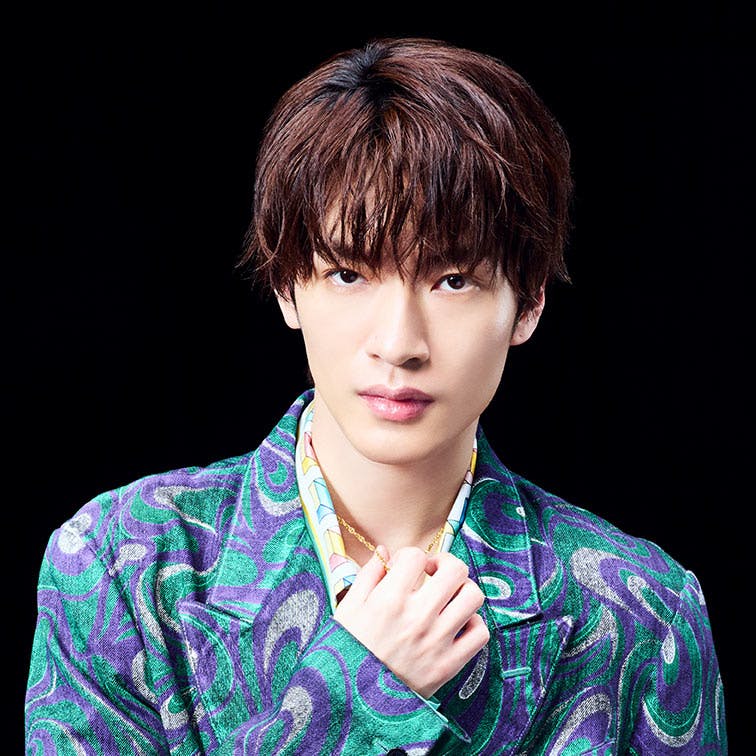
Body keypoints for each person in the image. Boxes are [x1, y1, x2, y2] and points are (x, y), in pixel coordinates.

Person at [25, 37, 726, 754]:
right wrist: (358, 691)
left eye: (453, 280)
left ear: (528, 304)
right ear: (287, 285)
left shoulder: (641, 614)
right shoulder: (123, 565)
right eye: (349, 275)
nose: (398, 343)